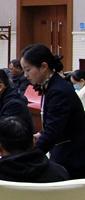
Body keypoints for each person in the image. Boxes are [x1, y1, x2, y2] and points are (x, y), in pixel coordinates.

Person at [21, 44, 85, 179]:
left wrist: (27, 157)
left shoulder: (58, 90)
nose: (25, 75)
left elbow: (53, 132)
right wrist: (41, 134)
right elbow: (57, 122)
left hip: (72, 158)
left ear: (44, 66)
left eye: (28, 70)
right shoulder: (52, 85)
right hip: (64, 152)